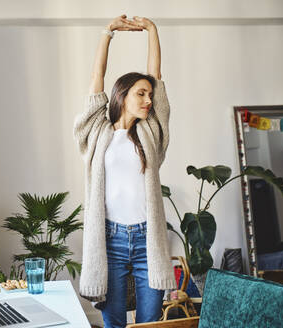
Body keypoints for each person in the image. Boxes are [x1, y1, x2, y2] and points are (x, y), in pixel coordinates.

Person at [73, 15, 176, 327]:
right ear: (122, 95)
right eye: (140, 94)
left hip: (149, 239)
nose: (147, 100)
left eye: (148, 94)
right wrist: (107, 34)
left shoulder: (151, 133)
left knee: (148, 323)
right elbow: (95, 83)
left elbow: (156, 78)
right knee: (114, 323)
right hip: (110, 240)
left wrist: (152, 31)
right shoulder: (98, 133)